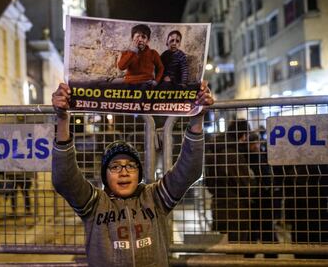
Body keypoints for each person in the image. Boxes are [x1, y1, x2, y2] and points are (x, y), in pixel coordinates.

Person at [51, 81, 213, 266]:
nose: (124, 172)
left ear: (139, 173)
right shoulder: (95, 204)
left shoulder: (154, 198)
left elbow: (189, 171)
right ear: (105, 175)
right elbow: (64, 178)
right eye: (115, 167)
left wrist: (197, 119)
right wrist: (63, 119)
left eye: (131, 166)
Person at [204, 119, 259, 255]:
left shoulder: (214, 149)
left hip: (219, 205)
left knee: (226, 251)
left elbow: (208, 182)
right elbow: (246, 183)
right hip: (235, 209)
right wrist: (253, 183)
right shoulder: (231, 153)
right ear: (243, 135)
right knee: (236, 252)